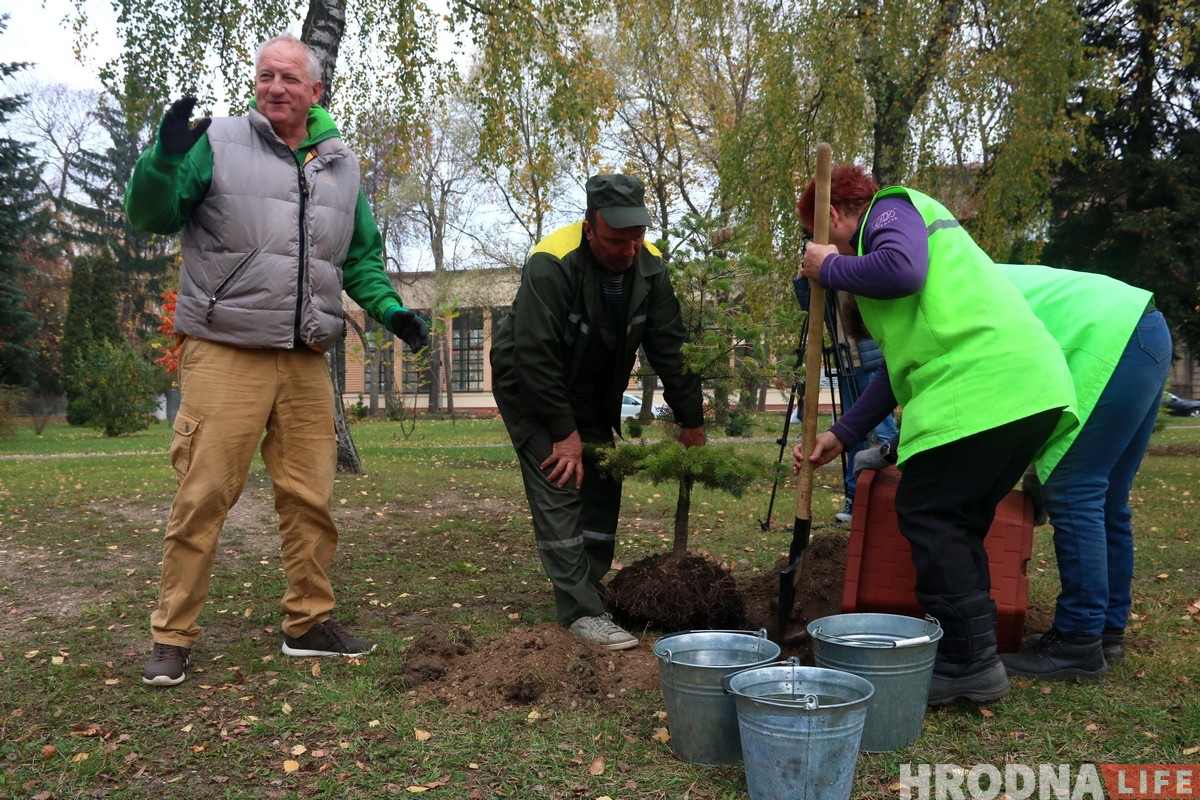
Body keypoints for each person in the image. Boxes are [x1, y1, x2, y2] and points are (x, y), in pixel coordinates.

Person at [125, 34, 430, 686]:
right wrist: (162, 158)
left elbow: (358, 259)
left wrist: (390, 310)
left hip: (304, 356)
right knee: (204, 496)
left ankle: (308, 622)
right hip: (225, 348)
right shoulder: (217, 142)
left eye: (290, 78)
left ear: (315, 90)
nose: (275, 87)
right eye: (266, 76)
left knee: (310, 497)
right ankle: (172, 635)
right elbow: (151, 215)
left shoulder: (340, 164)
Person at [791, 164, 1077, 705]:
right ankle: (973, 658)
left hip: (985, 386)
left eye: (816, 236)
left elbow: (901, 269)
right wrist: (843, 434)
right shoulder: (890, 260)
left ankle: (968, 664)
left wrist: (828, 265)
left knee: (929, 510)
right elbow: (895, 368)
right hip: (1025, 390)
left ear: (831, 216)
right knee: (956, 521)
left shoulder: (891, 208)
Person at [490, 174, 706, 650]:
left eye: (637, 238)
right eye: (615, 241)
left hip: (590, 385)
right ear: (590, 229)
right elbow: (534, 354)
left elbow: (670, 348)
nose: (628, 250)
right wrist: (563, 432)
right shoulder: (552, 262)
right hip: (529, 382)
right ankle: (580, 611)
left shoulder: (650, 268)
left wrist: (692, 421)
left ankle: (587, 586)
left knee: (603, 477)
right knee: (561, 477)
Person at [992, 265, 1171, 681]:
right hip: (1144, 330)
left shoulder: (941, 294)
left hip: (1110, 339)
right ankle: (1106, 633)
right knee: (1106, 499)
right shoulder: (959, 270)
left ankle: (1077, 643)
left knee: (1075, 489)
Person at [791, 276, 896, 522]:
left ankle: (889, 502)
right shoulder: (829, 276)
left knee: (883, 430)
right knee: (850, 433)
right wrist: (802, 280)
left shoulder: (857, 267)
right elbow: (813, 309)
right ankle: (854, 497)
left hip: (871, 361)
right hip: (845, 361)